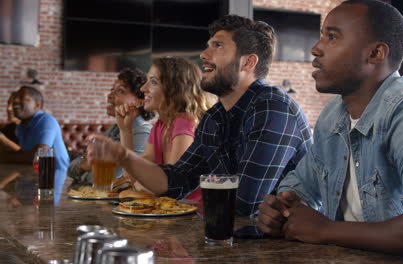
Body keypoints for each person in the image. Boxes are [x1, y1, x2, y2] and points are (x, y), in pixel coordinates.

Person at [257, 0, 403, 261]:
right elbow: (298, 191)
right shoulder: (333, 116)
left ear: (375, 54)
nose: (315, 49)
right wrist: (279, 211)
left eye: (332, 37)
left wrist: (327, 230)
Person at [88, 14, 313, 216]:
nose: (204, 54)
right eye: (208, 46)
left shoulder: (272, 108)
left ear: (247, 62)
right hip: (238, 241)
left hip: (290, 249)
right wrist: (123, 156)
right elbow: (175, 181)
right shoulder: (215, 117)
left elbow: (247, 203)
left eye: (217, 46)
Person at [115, 57, 210, 201]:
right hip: (168, 212)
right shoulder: (160, 125)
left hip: (191, 216)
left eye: (153, 82)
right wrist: (125, 129)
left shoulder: (184, 123)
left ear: (175, 89)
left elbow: (170, 187)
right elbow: (132, 179)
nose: (143, 88)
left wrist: (140, 184)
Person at [67, 68, 153, 185]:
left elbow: (116, 181)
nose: (110, 95)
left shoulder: (142, 131)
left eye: (120, 91)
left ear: (140, 100)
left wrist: (86, 168)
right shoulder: (115, 128)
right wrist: (85, 164)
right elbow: (71, 169)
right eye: (112, 90)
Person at [0, 85, 69, 170]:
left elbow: (40, 155)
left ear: (37, 105)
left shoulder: (46, 120)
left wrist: (5, 157)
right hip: (34, 176)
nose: (15, 101)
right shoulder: (21, 127)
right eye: (15, 98)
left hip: (59, 177)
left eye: (22, 98)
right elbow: (24, 154)